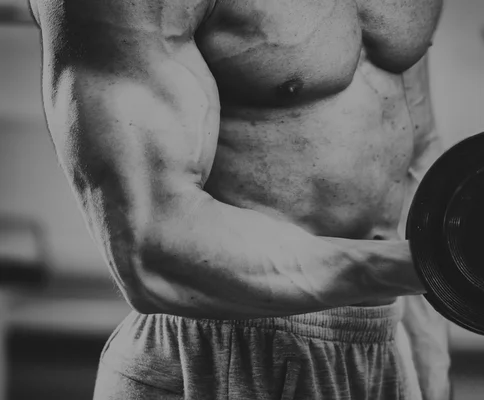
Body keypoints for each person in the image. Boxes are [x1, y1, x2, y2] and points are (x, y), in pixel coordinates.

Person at [30, 0, 451, 398]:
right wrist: (439, 268)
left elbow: (416, 151)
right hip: (218, 354)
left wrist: (429, 363)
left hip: (384, 347)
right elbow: (154, 247)